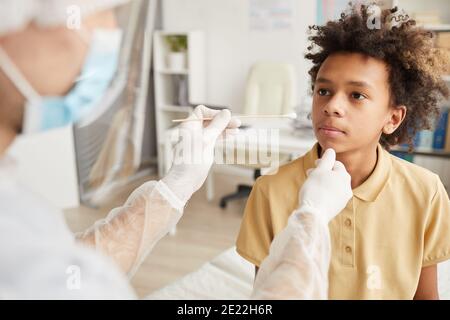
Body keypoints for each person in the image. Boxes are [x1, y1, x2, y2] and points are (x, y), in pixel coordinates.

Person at [0, 0, 353, 299]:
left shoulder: (17, 209)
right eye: (93, 14)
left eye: (357, 95)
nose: (106, 36)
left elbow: (68, 268)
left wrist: (175, 187)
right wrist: (312, 222)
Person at [237, 4, 450, 299]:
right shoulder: (269, 191)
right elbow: (267, 294)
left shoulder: (426, 192)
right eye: (323, 90)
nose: (332, 105)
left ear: (393, 118)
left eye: (357, 95)